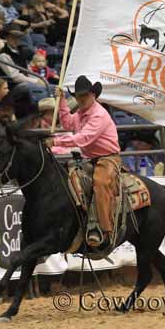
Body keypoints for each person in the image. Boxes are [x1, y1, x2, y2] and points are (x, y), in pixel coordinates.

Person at [47, 76, 120, 248]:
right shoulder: (81, 113)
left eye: (85, 96)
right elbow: (67, 123)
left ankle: (104, 229)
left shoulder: (99, 115)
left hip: (108, 158)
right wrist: (62, 101)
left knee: (101, 183)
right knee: (67, 180)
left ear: (93, 95)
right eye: (79, 97)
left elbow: (84, 138)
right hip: (90, 159)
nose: (81, 100)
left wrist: (56, 142)